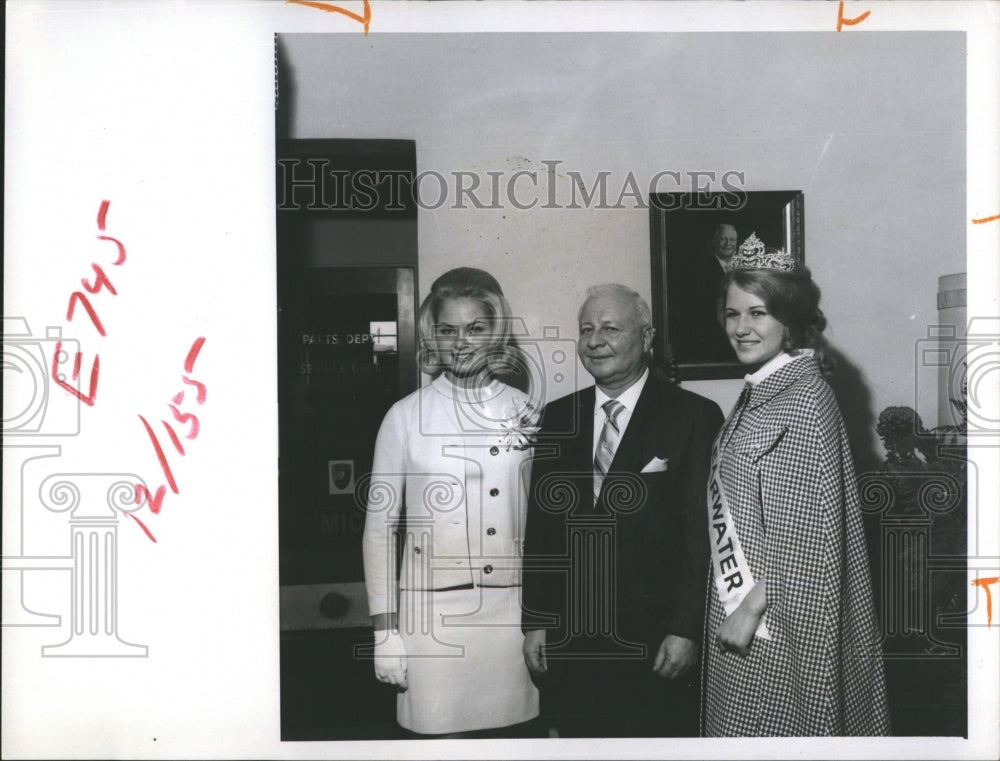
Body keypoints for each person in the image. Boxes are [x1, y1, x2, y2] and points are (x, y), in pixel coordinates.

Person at [702, 233, 891, 736]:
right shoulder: (761, 392)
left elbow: (810, 541)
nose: (741, 328)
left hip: (777, 622)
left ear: (788, 322)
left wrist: (749, 609)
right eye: (732, 313)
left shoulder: (806, 398)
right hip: (746, 606)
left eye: (757, 313)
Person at [521, 283, 723, 737]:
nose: (595, 341)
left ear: (647, 338)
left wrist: (686, 629)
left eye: (610, 328)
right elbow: (542, 531)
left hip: (656, 642)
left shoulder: (694, 415)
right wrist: (535, 621)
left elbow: (702, 535)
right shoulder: (558, 418)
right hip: (572, 644)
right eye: (586, 329)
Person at [361, 267, 540, 737]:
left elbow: (547, 526)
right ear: (431, 337)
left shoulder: (528, 412)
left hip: (513, 619)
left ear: (495, 332)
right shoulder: (403, 417)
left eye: (476, 328)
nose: (461, 342)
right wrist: (384, 632)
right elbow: (380, 530)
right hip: (431, 624)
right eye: (447, 330)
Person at [671, 222, 739, 363]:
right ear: (714, 242)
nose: (728, 243)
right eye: (723, 239)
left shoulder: (743, 269)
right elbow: (695, 310)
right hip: (711, 339)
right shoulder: (700, 270)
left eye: (732, 240)